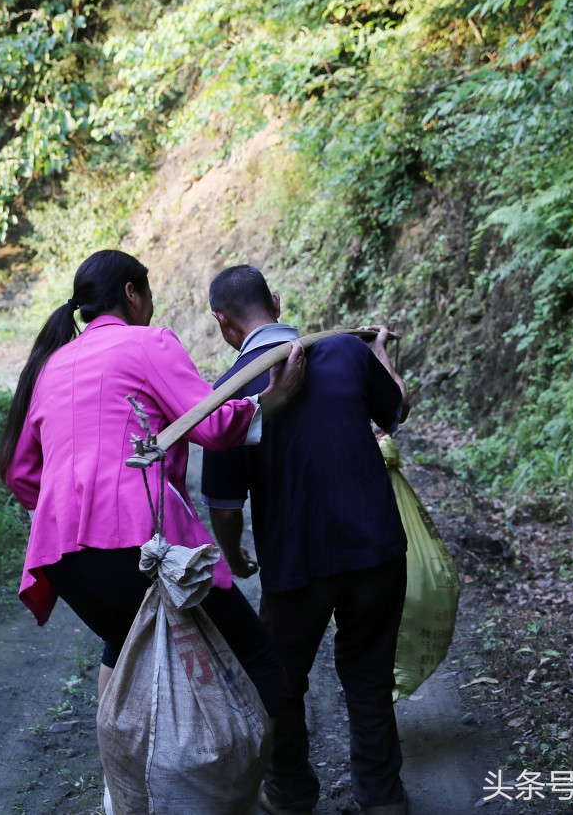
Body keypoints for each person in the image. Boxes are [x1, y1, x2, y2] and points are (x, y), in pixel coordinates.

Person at [0, 249, 306, 715]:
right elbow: (211, 424)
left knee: (124, 642)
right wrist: (270, 400)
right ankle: (259, 784)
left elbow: (21, 473)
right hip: (139, 544)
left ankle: (124, 784)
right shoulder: (147, 342)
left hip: (59, 554)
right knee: (257, 656)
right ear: (131, 294)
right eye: (150, 296)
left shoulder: (52, 365)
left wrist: (75, 507)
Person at [199, 265, 411, 815]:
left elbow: (224, 506)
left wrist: (234, 555)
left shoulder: (228, 395)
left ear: (223, 325)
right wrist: (383, 355)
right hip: (376, 549)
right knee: (368, 674)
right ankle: (383, 798)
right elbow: (396, 409)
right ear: (275, 299)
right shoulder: (345, 351)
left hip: (297, 565)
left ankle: (290, 793)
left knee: (280, 681)